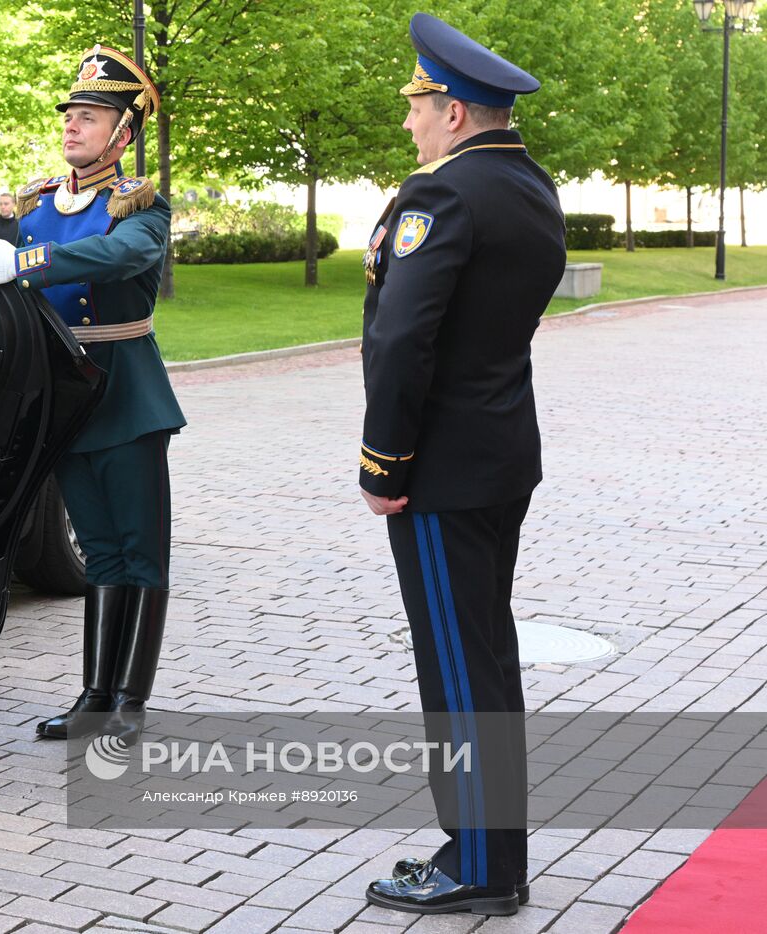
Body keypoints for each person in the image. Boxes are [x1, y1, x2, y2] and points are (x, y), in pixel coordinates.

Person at [358, 13, 565, 916]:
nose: (408, 123)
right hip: (501, 452)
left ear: (452, 110)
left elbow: (405, 339)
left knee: (456, 662)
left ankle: (479, 866)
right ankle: (490, 848)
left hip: (438, 466)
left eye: (416, 105)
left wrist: (382, 463)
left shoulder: (442, 196)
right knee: (484, 652)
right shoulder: (529, 186)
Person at [0, 45, 184, 746]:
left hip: (127, 396)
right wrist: (0, 246)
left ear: (123, 134)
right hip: (69, 401)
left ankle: (131, 703)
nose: (72, 127)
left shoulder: (138, 204)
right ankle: (94, 696)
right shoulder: (34, 204)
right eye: (71, 115)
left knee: (140, 553)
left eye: (90, 116)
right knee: (102, 555)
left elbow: (123, 256)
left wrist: (22, 260)